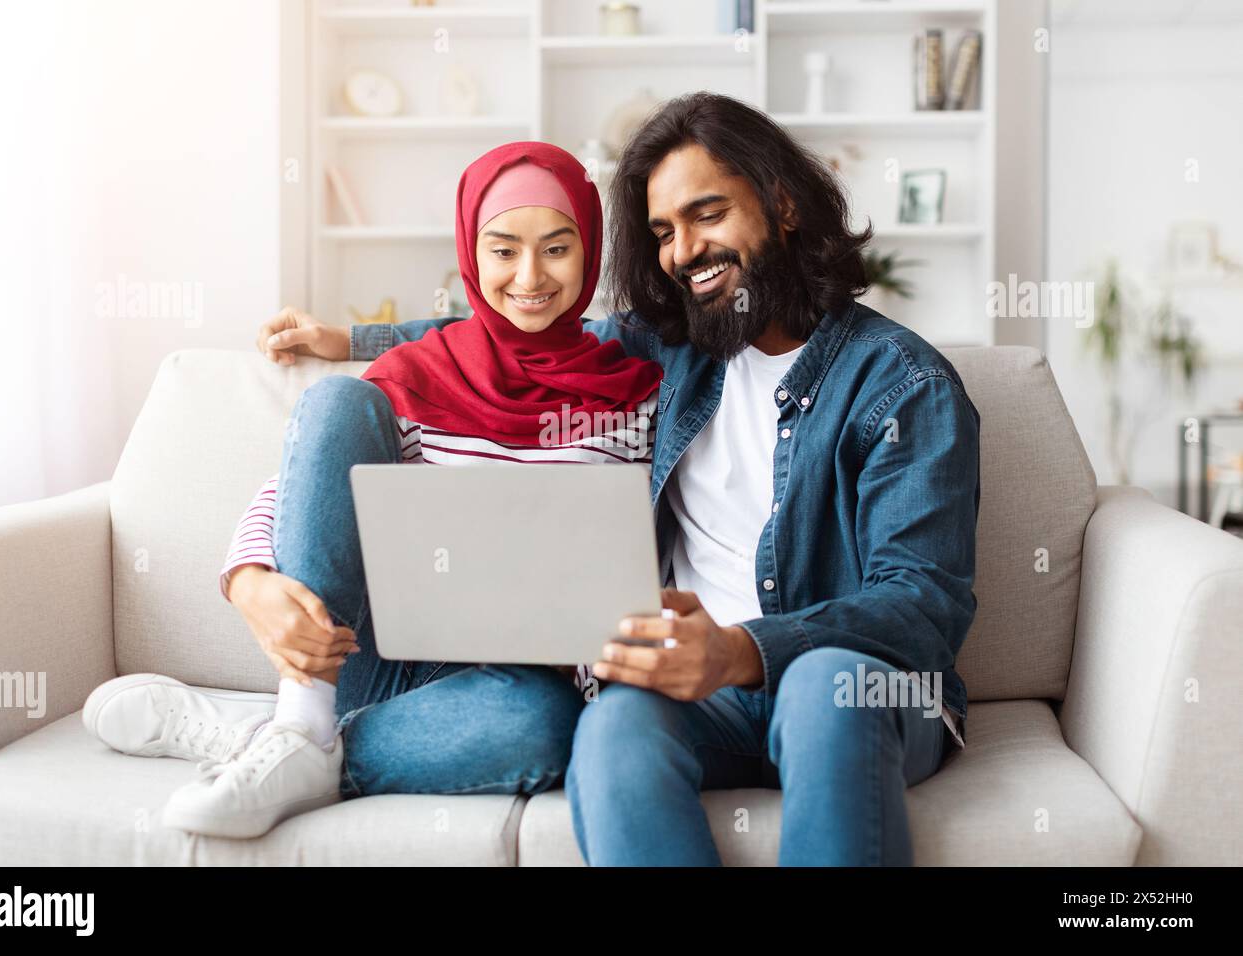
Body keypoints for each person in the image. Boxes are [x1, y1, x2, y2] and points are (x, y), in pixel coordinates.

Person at [259, 92, 982, 866]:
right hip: (708, 698)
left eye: (707, 215)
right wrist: (353, 339)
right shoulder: (679, 348)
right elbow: (523, 321)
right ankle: (297, 742)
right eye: (665, 232)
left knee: (820, 688)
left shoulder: (903, 385)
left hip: (860, 692)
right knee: (610, 723)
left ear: (782, 204)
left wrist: (742, 650)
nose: (684, 251)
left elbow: (923, 606)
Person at [81, 141, 662, 839]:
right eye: (503, 250)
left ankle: (267, 742)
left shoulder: (636, 392)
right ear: (471, 254)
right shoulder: (418, 370)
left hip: (512, 691)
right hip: (367, 659)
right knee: (335, 403)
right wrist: (248, 581)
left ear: (590, 248)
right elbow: (305, 483)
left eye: (557, 249)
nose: (529, 276)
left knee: (545, 724)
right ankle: (300, 716)